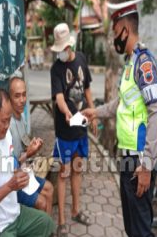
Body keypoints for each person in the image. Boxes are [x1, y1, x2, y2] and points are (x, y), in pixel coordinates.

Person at [83, 0, 157, 237]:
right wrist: (95, 112)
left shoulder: (144, 63)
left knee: (140, 231)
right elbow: (122, 103)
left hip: (139, 162)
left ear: (126, 30)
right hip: (127, 159)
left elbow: (156, 113)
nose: (113, 38)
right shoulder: (130, 63)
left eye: (115, 32)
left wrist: (147, 165)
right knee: (132, 229)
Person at [0, 89, 55, 237]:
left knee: (47, 223)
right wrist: (11, 185)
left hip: (16, 213)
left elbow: (11, 165)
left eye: (9, 120)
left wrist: (22, 170)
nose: (7, 126)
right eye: (3, 121)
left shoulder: (6, 135)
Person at [50, 23, 97, 237]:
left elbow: (86, 87)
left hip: (81, 128)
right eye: (58, 49)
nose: (61, 53)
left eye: (63, 48)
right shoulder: (56, 69)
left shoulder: (81, 59)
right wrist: (65, 112)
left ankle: (76, 211)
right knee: (63, 173)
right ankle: (61, 223)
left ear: (70, 45)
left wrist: (93, 112)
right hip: (65, 129)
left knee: (77, 169)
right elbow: (59, 97)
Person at [9, 76, 54, 215]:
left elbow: (23, 146)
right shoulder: (7, 125)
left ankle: (47, 229)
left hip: (24, 172)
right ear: (9, 98)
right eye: (17, 96)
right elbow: (9, 166)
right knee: (42, 202)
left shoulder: (21, 118)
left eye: (24, 95)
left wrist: (32, 146)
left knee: (50, 188)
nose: (22, 100)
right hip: (12, 181)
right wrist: (28, 153)